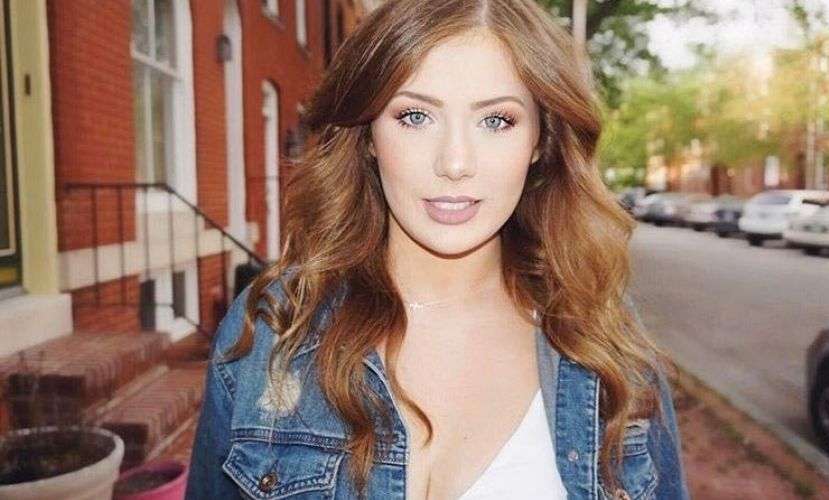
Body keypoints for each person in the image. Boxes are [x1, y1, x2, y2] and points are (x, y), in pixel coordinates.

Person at [186, 0, 688, 498]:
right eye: (415, 116)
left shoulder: (601, 340)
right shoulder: (276, 327)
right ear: (368, 136)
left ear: (540, 140)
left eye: (497, 120)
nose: (454, 162)